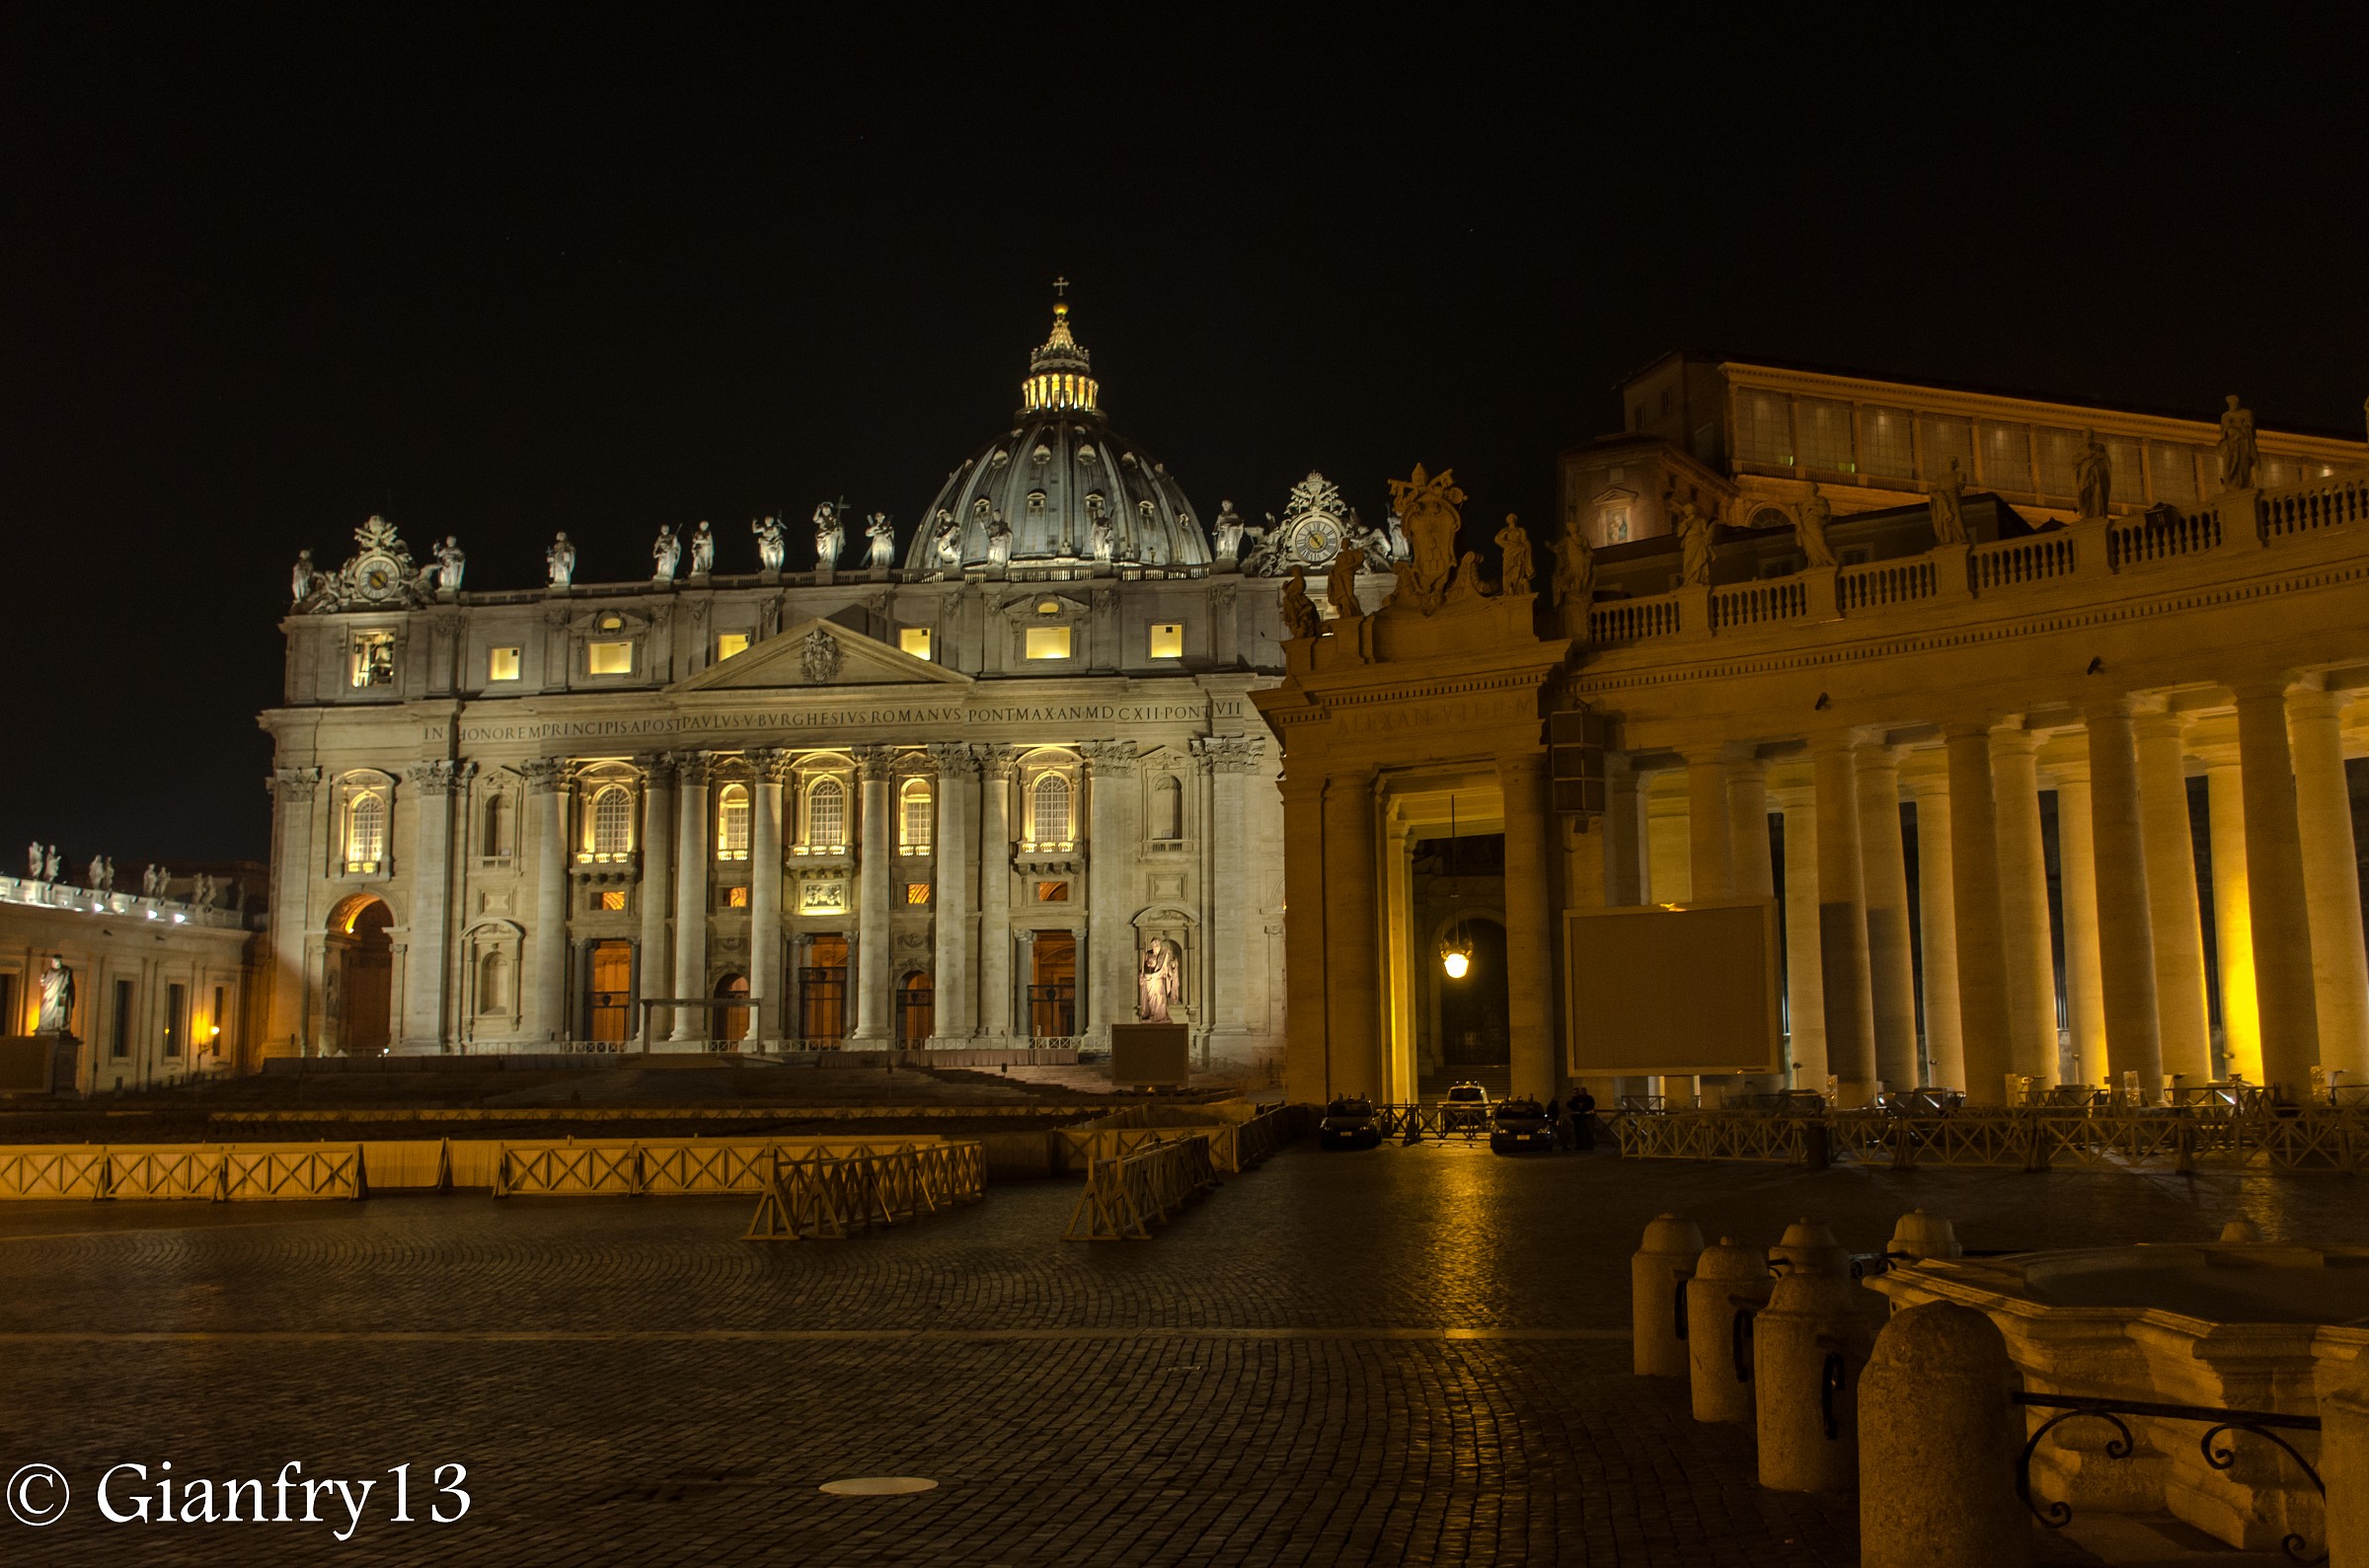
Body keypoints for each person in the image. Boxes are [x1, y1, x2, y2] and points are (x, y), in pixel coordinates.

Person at [1568, 1083, 1598, 1152]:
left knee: (1587, 1132)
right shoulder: (1577, 1099)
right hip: (1579, 1118)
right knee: (1579, 1132)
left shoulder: (1588, 1098)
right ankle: (1581, 1145)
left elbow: (1588, 1106)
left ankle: (1588, 1145)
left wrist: (1582, 1109)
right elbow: (1572, 1105)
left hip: (1586, 1117)